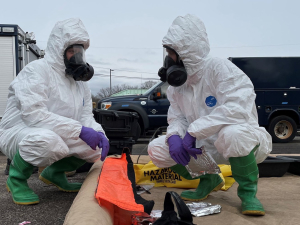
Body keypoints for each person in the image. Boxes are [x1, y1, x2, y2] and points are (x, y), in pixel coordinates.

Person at [148, 14, 272, 216]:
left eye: (171, 53)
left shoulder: (219, 68)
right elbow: (176, 118)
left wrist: (193, 131)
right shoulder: (177, 87)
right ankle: (209, 180)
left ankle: (249, 194)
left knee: (233, 134)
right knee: (157, 149)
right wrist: (173, 137)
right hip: (203, 148)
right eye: (167, 53)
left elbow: (237, 107)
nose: (167, 59)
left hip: (242, 142)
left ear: (186, 53)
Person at [0, 18, 109, 205]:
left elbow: (85, 116)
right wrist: (80, 131)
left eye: (80, 52)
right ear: (58, 49)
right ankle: (16, 179)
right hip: (20, 131)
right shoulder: (36, 71)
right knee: (48, 142)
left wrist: (99, 133)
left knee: (96, 148)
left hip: (58, 131)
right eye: (72, 51)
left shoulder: (79, 82)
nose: (77, 57)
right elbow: (33, 115)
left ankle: (54, 174)